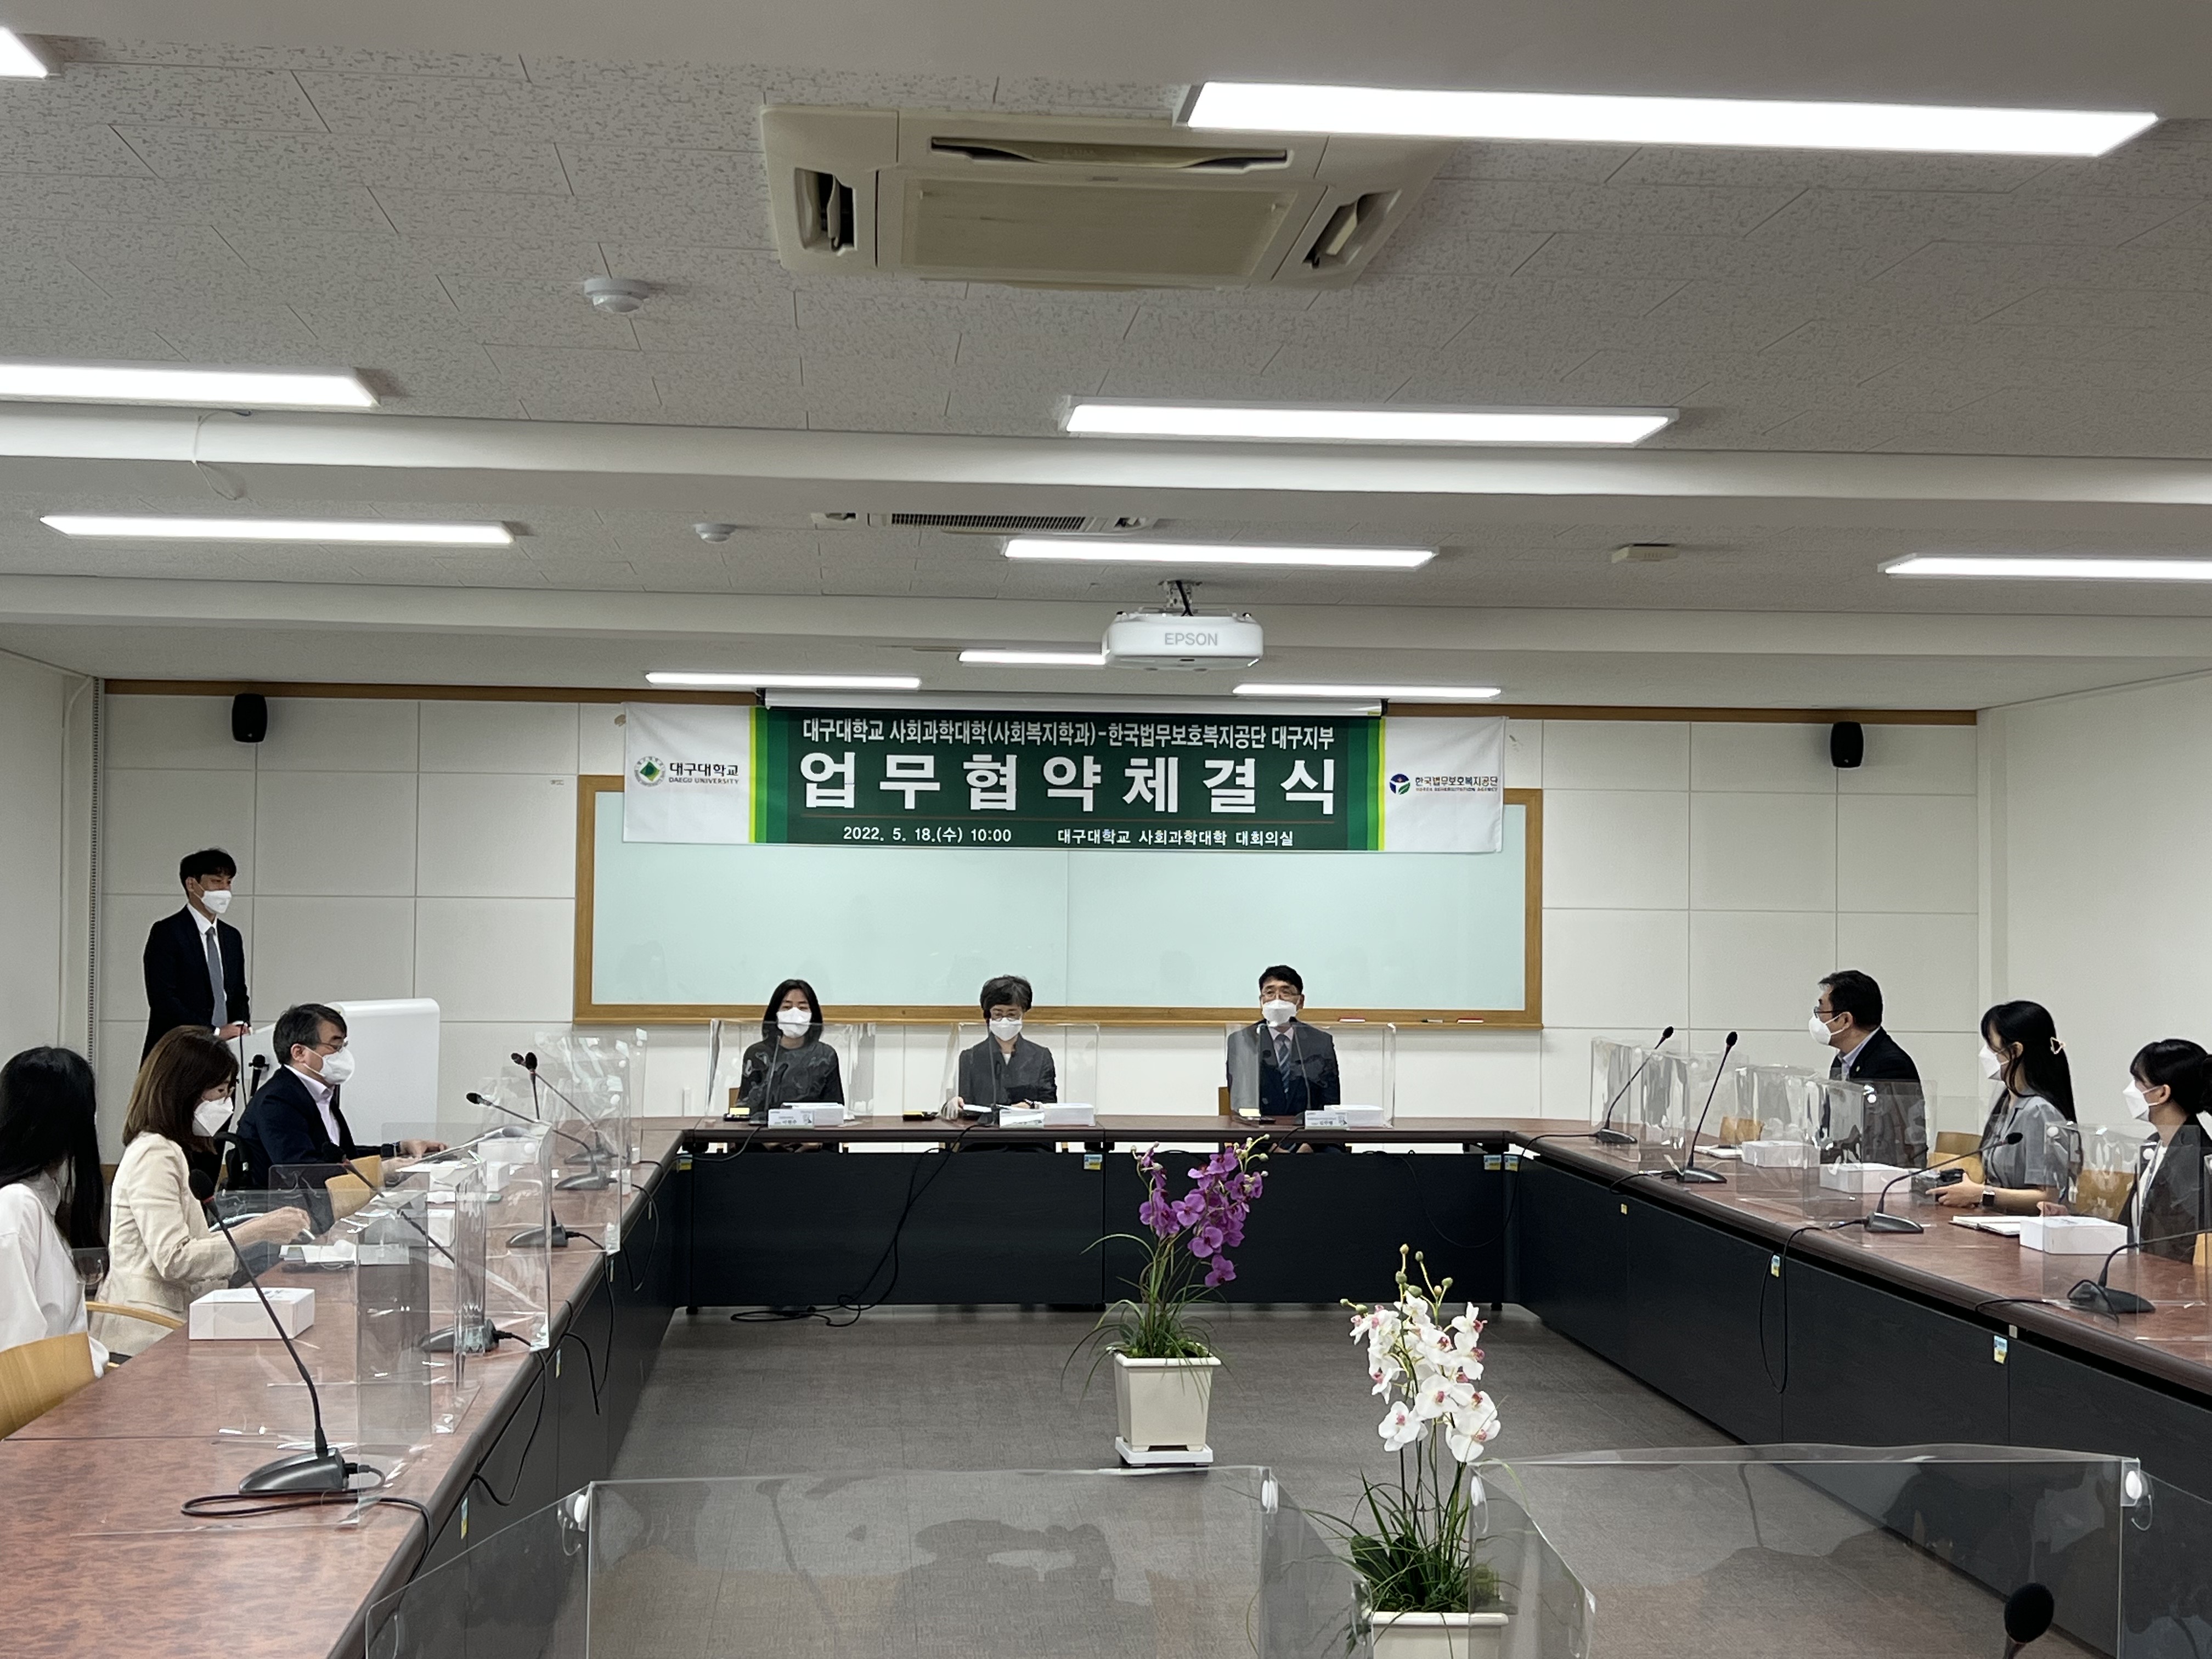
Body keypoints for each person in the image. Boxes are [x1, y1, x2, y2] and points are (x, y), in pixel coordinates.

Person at [232, 1004, 443, 1190]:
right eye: (335, 1047)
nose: (342, 1055)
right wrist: (380, 1171)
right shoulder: (277, 1101)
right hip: (281, 1214)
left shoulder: (319, 1093)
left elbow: (344, 1158)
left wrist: (399, 1150)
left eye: (344, 1046)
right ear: (299, 1053)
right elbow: (301, 1172)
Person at [0, 1047, 106, 1367]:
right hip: (40, 1393)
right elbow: (18, 1355)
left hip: (65, 1384)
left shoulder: (44, 1204)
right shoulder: (17, 1207)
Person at [1935, 1001, 2081, 1215]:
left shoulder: (2039, 1112)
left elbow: (2048, 1198)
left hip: (2028, 1230)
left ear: (2015, 1050)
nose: (1987, 1053)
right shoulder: (2008, 1101)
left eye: (1993, 1047)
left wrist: (1982, 1194)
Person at [1811, 968, 1927, 1166]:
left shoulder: (1891, 1065)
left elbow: (1891, 1143)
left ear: (1845, 1020)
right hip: (1845, 1170)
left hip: (1881, 1176)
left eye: (1821, 1010)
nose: (1817, 1018)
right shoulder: (1841, 1061)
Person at [142, 847, 249, 1058]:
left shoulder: (231, 936)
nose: (225, 890)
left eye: (228, 882)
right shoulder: (167, 932)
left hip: (224, 1051)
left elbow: (238, 992)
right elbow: (164, 999)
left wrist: (240, 1024)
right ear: (192, 884)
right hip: (178, 1050)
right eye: (216, 882)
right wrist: (213, 1032)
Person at [2116, 1039, 2212, 1260]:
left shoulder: (2197, 1160)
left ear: (2162, 1093)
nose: (2131, 1090)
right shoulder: (2153, 1146)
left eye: (2138, 1081)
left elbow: (2186, 1248)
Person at [1226, 964, 1339, 1120]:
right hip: (1260, 1129)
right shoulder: (1244, 1040)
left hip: (1307, 1129)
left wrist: (1312, 1135)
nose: (1277, 999)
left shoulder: (1320, 1041)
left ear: (1300, 1001)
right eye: (1270, 993)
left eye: (1286, 992)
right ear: (1261, 1001)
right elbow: (1241, 1099)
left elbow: (1330, 1101)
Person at [732, 979, 843, 1120]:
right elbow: (743, 1109)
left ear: (813, 1015)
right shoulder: (757, 1054)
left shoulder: (825, 1055)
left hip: (813, 1132)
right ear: (776, 1013)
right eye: (786, 1007)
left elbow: (836, 1110)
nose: (795, 1014)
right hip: (765, 1131)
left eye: (803, 1008)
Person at [952, 974, 1058, 1113]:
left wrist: (1031, 1106)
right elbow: (965, 1105)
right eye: (998, 1014)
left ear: (1023, 1014)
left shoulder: (1041, 1056)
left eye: (1012, 1014)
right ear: (988, 1015)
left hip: (1027, 1125)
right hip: (983, 1126)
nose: (1005, 1020)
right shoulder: (970, 1057)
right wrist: (955, 1105)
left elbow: (1050, 1105)